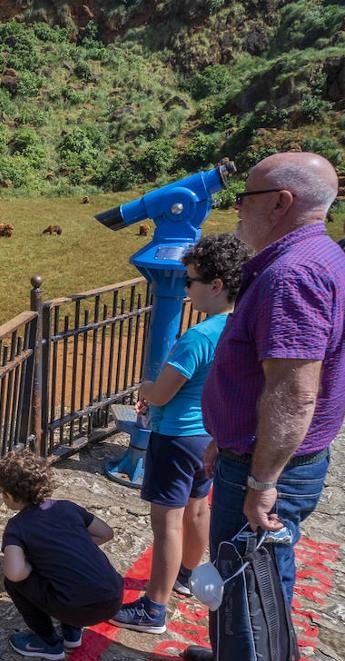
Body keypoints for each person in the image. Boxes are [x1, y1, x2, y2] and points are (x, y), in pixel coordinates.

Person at [159, 152, 345, 661]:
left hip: (266, 468)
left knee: (248, 580)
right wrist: (226, 442)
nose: (237, 210)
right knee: (254, 576)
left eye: (245, 199)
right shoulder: (316, 258)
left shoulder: (291, 275)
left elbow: (294, 393)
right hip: (252, 455)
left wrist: (260, 481)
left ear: (280, 203)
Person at [110, 234, 247, 634]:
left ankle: (154, 607)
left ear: (216, 285)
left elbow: (163, 391)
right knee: (199, 507)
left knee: (166, 522)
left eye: (190, 281)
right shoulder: (241, 328)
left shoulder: (198, 338)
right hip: (209, 436)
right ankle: (187, 574)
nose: (187, 289)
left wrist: (145, 391)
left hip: (176, 438)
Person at [0, 449, 123, 660]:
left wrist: (34, 563)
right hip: (114, 597)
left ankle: (48, 642)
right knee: (66, 573)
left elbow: (15, 573)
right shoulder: (68, 507)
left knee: (15, 584)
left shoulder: (17, 527)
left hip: (78, 607)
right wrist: (74, 546)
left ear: (8, 496)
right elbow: (106, 533)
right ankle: (72, 632)